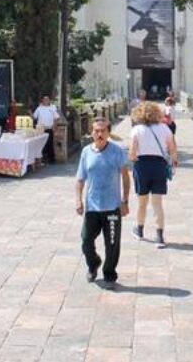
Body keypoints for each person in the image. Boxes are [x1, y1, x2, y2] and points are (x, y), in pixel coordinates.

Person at [75, 117, 131, 290]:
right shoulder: (86, 152)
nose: (99, 134)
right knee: (86, 240)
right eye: (96, 131)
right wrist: (78, 199)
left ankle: (109, 274)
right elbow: (80, 178)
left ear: (108, 133)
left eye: (102, 131)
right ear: (92, 132)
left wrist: (125, 201)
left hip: (112, 207)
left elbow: (125, 176)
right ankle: (93, 264)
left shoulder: (117, 151)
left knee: (112, 244)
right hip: (92, 206)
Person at [128, 102, 178, 248]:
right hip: (159, 166)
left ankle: (139, 229)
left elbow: (131, 153)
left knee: (142, 202)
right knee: (157, 203)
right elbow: (172, 150)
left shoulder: (136, 129)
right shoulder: (165, 128)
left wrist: (135, 158)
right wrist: (173, 161)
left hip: (142, 166)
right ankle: (159, 236)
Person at [33, 95, 62, 163]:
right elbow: (34, 117)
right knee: (41, 144)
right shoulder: (39, 108)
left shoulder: (52, 108)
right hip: (41, 129)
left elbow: (56, 118)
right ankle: (41, 159)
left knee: (50, 144)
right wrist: (30, 113)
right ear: (42, 100)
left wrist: (54, 126)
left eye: (47, 99)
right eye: (44, 99)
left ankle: (52, 160)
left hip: (49, 128)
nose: (46, 101)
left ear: (49, 100)